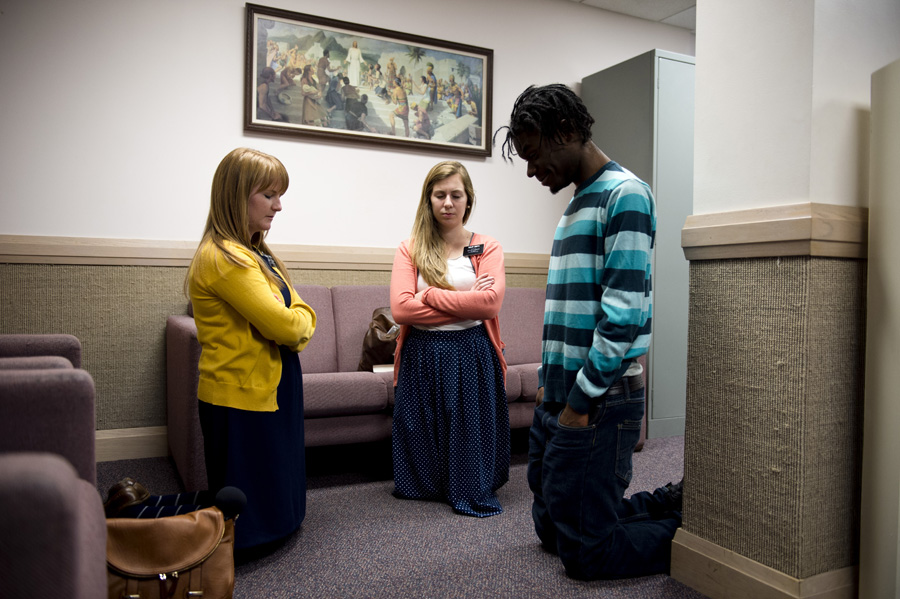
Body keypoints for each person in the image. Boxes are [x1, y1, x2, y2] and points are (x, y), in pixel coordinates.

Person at [495, 84, 682, 579]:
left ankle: (699, 534)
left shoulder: (626, 196)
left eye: (535, 156)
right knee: (553, 531)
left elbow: (621, 317)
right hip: (558, 393)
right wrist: (546, 388)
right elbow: (566, 314)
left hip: (599, 399)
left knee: (587, 554)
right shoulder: (576, 204)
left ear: (568, 131)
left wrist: (579, 403)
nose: (532, 171)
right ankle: (666, 500)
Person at [185, 147, 317, 557]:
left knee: (278, 475)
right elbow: (286, 323)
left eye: (280, 194)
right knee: (250, 496)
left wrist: (296, 321)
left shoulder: (257, 252)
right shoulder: (226, 257)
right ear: (236, 195)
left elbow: (297, 312)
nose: (279, 205)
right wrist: (297, 322)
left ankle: (279, 526)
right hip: (241, 394)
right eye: (268, 194)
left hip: (271, 383)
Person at [389, 161, 510, 517]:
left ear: (468, 200)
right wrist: (467, 300)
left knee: (468, 425)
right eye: (439, 195)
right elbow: (400, 310)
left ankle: (470, 484)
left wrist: (429, 296)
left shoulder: (487, 246)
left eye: (456, 195)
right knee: (422, 424)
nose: (447, 203)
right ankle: (428, 485)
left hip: (471, 348)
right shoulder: (409, 248)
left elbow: (490, 304)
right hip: (422, 351)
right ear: (428, 200)